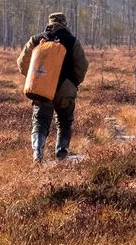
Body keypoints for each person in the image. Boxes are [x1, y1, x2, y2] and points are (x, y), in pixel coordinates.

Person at [17, 12, 89, 162]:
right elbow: (82, 67)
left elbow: (22, 62)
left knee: (40, 122)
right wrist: (73, 83)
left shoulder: (36, 40)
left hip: (41, 87)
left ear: (49, 23)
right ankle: (61, 152)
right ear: (65, 23)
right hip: (65, 89)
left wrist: (35, 78)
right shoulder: (72, 41)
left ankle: (37, 153)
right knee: (64, 121)